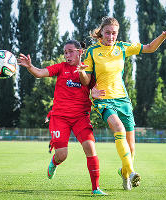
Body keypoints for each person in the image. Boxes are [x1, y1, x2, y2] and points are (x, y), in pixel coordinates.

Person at [78, 17, 166, 190]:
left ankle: (124, 173)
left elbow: (150, 48)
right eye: (107, 32)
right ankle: (131, 172)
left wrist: (163, 36)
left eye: (114, 33)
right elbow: (85, 81)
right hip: (104, 100)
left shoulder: (123, 47)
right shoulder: (92, 51)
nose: (111, 36)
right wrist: (82, 72)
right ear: (102, 32)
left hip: (123, 100)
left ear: (117, 33)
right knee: (119, 128)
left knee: (131, 149)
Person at [17, 40, 107, 195]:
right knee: (62, 155)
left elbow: (91, 86)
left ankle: (95, 188)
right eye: (65, 52)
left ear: (80, 52)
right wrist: (30, 67)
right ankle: (54, 162)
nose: (67, 55)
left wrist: (95, 92)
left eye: (70, 51)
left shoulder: (89, 69)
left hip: (81, 116)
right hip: (60, 117)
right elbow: (39, 73)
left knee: (90, 148)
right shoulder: (61, 67)